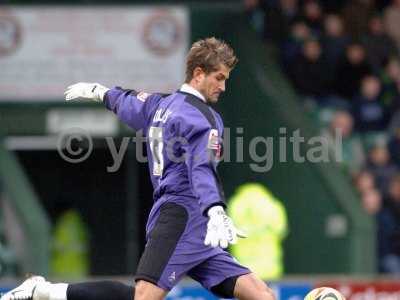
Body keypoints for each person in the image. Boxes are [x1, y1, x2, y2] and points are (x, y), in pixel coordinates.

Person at [1, 37, 275, 300]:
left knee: (262, 295)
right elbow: (200, 166)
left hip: (194, 222)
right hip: (183, 215)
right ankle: (44, 292)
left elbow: (127, 101)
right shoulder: (202, 118)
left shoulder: (159, 105)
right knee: (143, 298)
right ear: (198, 73)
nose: (223, 87)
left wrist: (100, 92)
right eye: (219, 78)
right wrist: (214, 208)